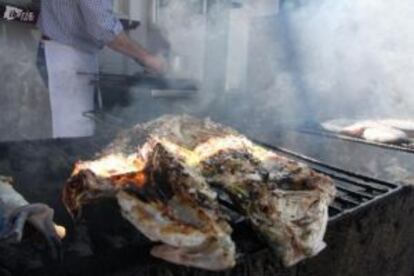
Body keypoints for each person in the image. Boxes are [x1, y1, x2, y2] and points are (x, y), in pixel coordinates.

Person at [37, 0, 167, 138]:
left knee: (82, 127)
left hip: (71, 50)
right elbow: (103, 26)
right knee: (74, 133)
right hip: (65, 54)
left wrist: (142, 57)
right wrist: (147, 58)